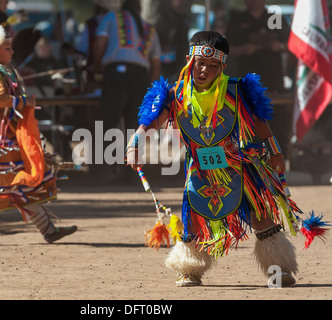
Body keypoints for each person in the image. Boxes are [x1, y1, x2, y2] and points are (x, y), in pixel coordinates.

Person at [126, 31, 303, 287]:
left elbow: (261, 124)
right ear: (189, 60)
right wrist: (136, 144)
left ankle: (279, 270)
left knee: (261, 216)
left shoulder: (237, 90)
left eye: (213, 66)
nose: (204, 71)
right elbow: (151, 122)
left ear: (222, 66)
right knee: (195, 220)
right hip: (200, 170)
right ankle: (189, 270)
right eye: (200, 63)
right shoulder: (174, 95)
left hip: (239, 165)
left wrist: (276, 153)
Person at [0, 24, 77, 246]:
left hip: (2, 130)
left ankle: (48, 229)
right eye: (7, 47)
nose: (12, 51)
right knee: (3, 180)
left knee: (18, 179)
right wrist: (25, 101)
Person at [92, 0, 161, 179]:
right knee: (134, 126)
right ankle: (132, 173)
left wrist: (96, 65)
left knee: (108, 121)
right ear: (139, 9)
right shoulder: (149, 29)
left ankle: (104, 171)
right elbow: (156, 64)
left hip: (116, 73)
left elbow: (100, 44)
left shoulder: (111, 18)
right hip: (140, 77)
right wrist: (152, 91)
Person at [226, 0, 290, 93]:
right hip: (246, 79)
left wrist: (279, 46)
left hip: (273, 80)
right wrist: (243, 49)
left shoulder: (276, 18)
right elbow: (227, 50)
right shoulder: (237, 19)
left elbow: (292, 46)